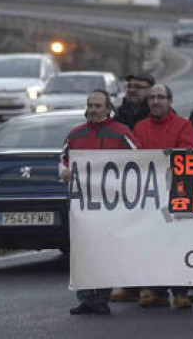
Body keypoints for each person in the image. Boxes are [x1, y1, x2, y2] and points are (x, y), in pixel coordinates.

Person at [60, 89, 139, 315]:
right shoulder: (74, 134)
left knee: (105, 252)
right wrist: (64, 171)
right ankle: (85, 298)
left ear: (108, 108)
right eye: (90, 105)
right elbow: (63, 160)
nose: (93, 110)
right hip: (81, 205)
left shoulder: (122, 133)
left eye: (97, 106)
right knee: (83, 252)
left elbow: (140, 162)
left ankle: (101, 298)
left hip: (111, 205)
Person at [133, 84, 193, 310]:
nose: (156, 101)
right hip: (149, 195)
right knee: (152, 244)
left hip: (175, 192)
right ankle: (157, 291)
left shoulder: (184, 125)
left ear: (170, 101)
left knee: (176, 242)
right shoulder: (139, 127)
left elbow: (187, 154)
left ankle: (180, 291)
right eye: (152, 98)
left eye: (160, 97)